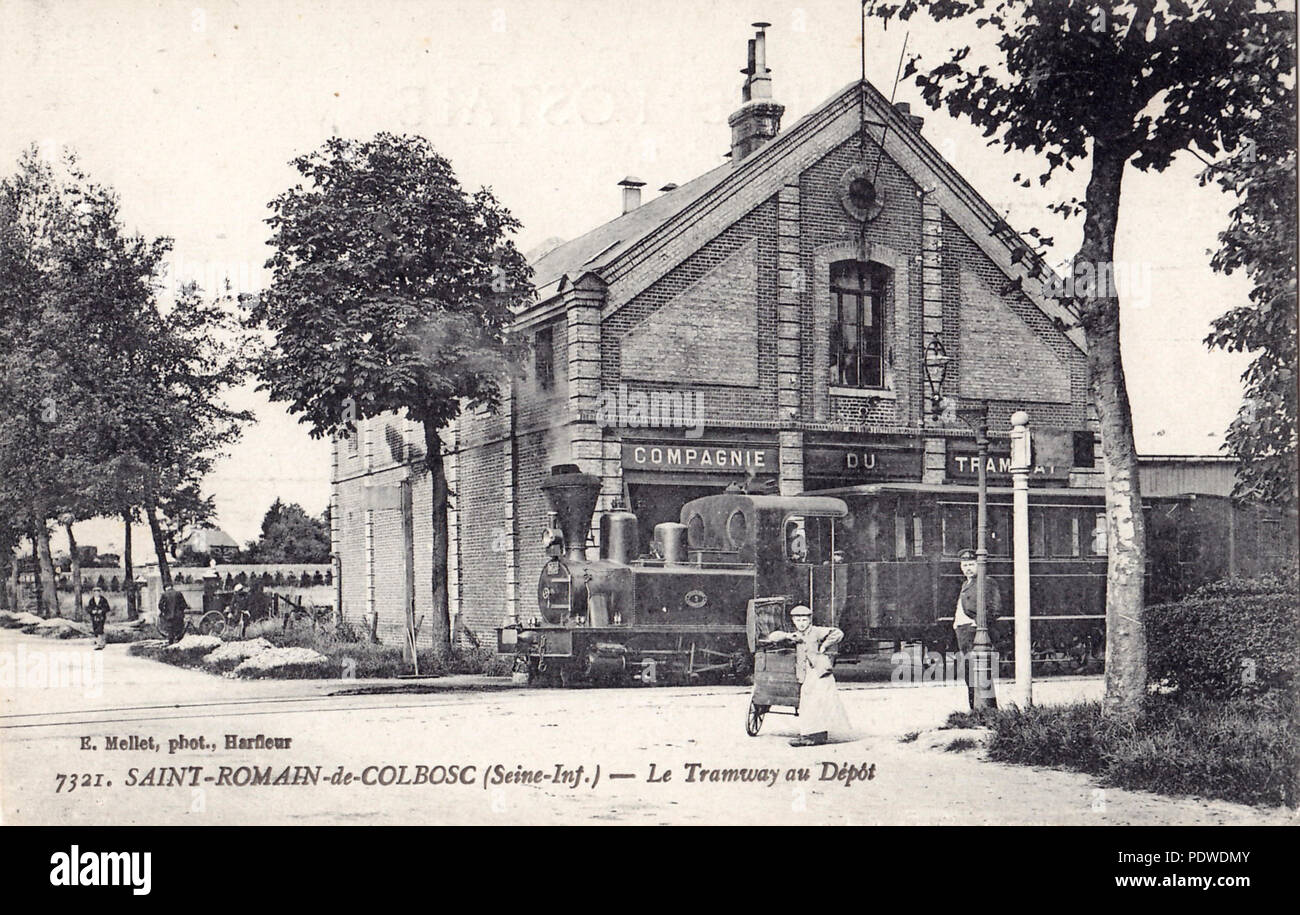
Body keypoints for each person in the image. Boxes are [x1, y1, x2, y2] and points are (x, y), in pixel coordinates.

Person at [766, 605, 851, 746]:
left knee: (814, 703)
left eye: (804, 620)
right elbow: (772, 637)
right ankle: (816, 735)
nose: (801, 623)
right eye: (798, 620)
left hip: (819, 672)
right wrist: (787, 636)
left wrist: (824, 646)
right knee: (810, 703)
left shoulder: (816, 631)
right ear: (793, 621)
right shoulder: (795, 634)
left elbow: (838, 633)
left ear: (810, 620)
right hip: (807, 673)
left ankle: (810, 736)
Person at [954, 548, 1001, 710]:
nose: (967, 568)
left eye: (971, 564)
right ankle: (976, 709)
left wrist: (979, 624)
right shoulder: (966, 583)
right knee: (970, 674)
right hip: (963, 633)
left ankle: (987, 710)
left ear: (979, 565)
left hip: (974, 632)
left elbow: (995, 609)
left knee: (980, 672)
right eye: (964, 564)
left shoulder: (986, 582)